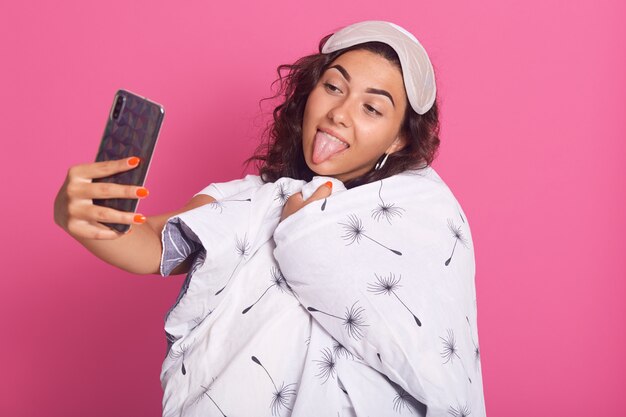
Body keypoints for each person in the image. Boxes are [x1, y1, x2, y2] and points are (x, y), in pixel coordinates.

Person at [54, 21, 486, 417]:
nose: (340, 113)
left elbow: (433, 359)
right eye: (334, 87)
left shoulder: (424, 219)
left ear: (399, 137)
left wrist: (306, 232)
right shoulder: (255, 200)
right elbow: (150, 243)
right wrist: (84, 214)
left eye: (372, 109)